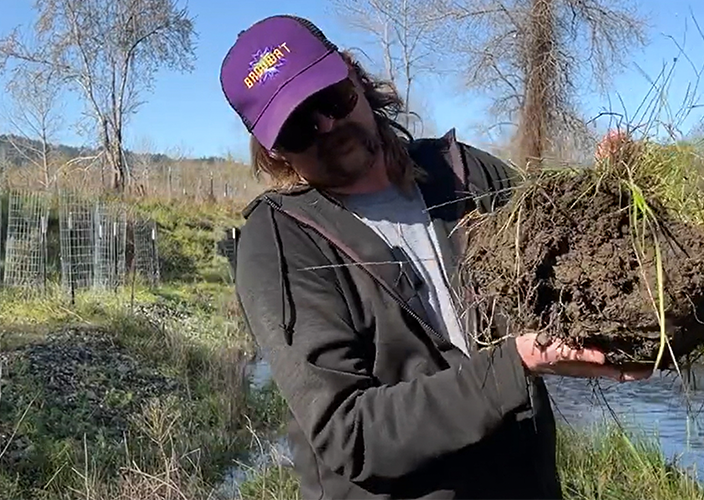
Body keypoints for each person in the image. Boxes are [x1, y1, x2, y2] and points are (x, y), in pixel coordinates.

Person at [219, 15, 651, 499]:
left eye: (331, 98)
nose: (328, 125)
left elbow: (567, 256)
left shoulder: (465, 174)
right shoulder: (280, 240)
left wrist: (614, 202)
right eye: (299, 127)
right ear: (275, 152)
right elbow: (351, 435)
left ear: (354, 76)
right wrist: (517, 365)